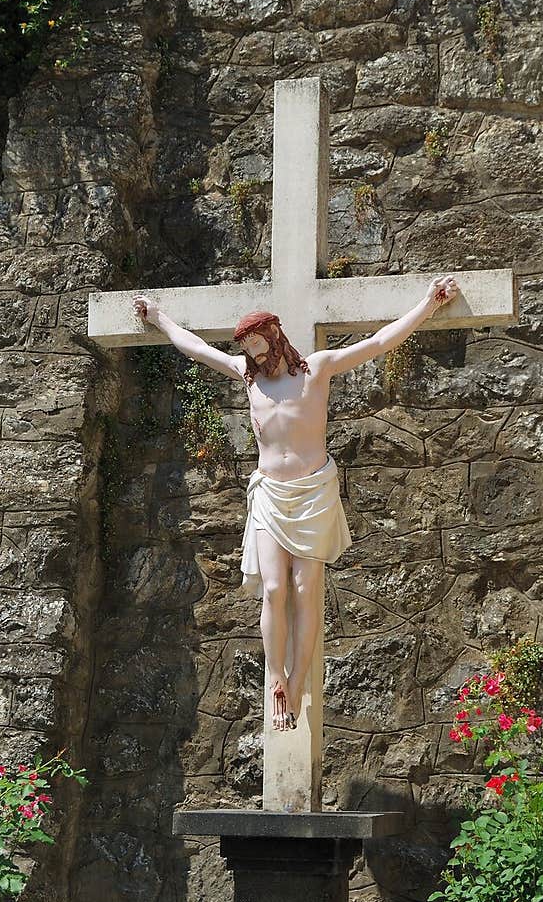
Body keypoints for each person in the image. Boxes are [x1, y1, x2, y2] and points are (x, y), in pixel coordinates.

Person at [131, 275, 459, 732]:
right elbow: (197, 349)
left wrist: (427, 304)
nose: (254, 357)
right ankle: (276, 676)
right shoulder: (247, 379)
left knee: (306, 592)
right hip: (269, 492)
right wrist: (161, 318)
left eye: (259, 347)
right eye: (247, 350)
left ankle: (299, 679)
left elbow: (380, 341)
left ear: (275, 336)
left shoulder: (318, 369)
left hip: (311, 492)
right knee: (272, 589)